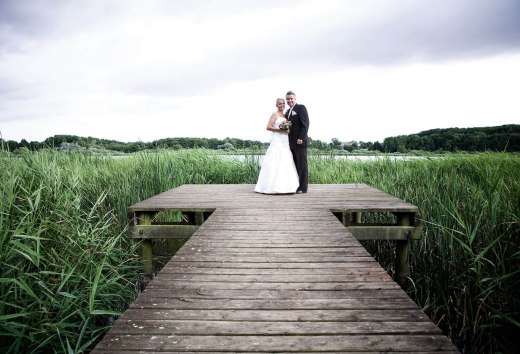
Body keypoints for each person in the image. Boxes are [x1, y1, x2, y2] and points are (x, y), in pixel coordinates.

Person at [254, 98, 300, 194]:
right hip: (277, 140)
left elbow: (288, 128)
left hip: (284, 140)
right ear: (276, 105)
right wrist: (280, 130)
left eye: (283, 103)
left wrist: (287, 130)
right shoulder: (274, 114)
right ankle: (270, 186)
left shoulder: (286, 115)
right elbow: (268, 127)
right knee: (274, 159)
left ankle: (287, 187)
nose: (282, 105)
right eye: (280, 104)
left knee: (285, 160)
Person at [285, 91, 309, 193]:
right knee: (294, 165)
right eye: (288, 99)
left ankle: (303, 188)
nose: (289, 100)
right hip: (290, 143)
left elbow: (306, 124)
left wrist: (301, 138)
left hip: (300, 142)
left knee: (302, 165)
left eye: (291, 99)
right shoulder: (288, 112)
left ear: (295, 99)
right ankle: (296, 185)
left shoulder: (301, 108)